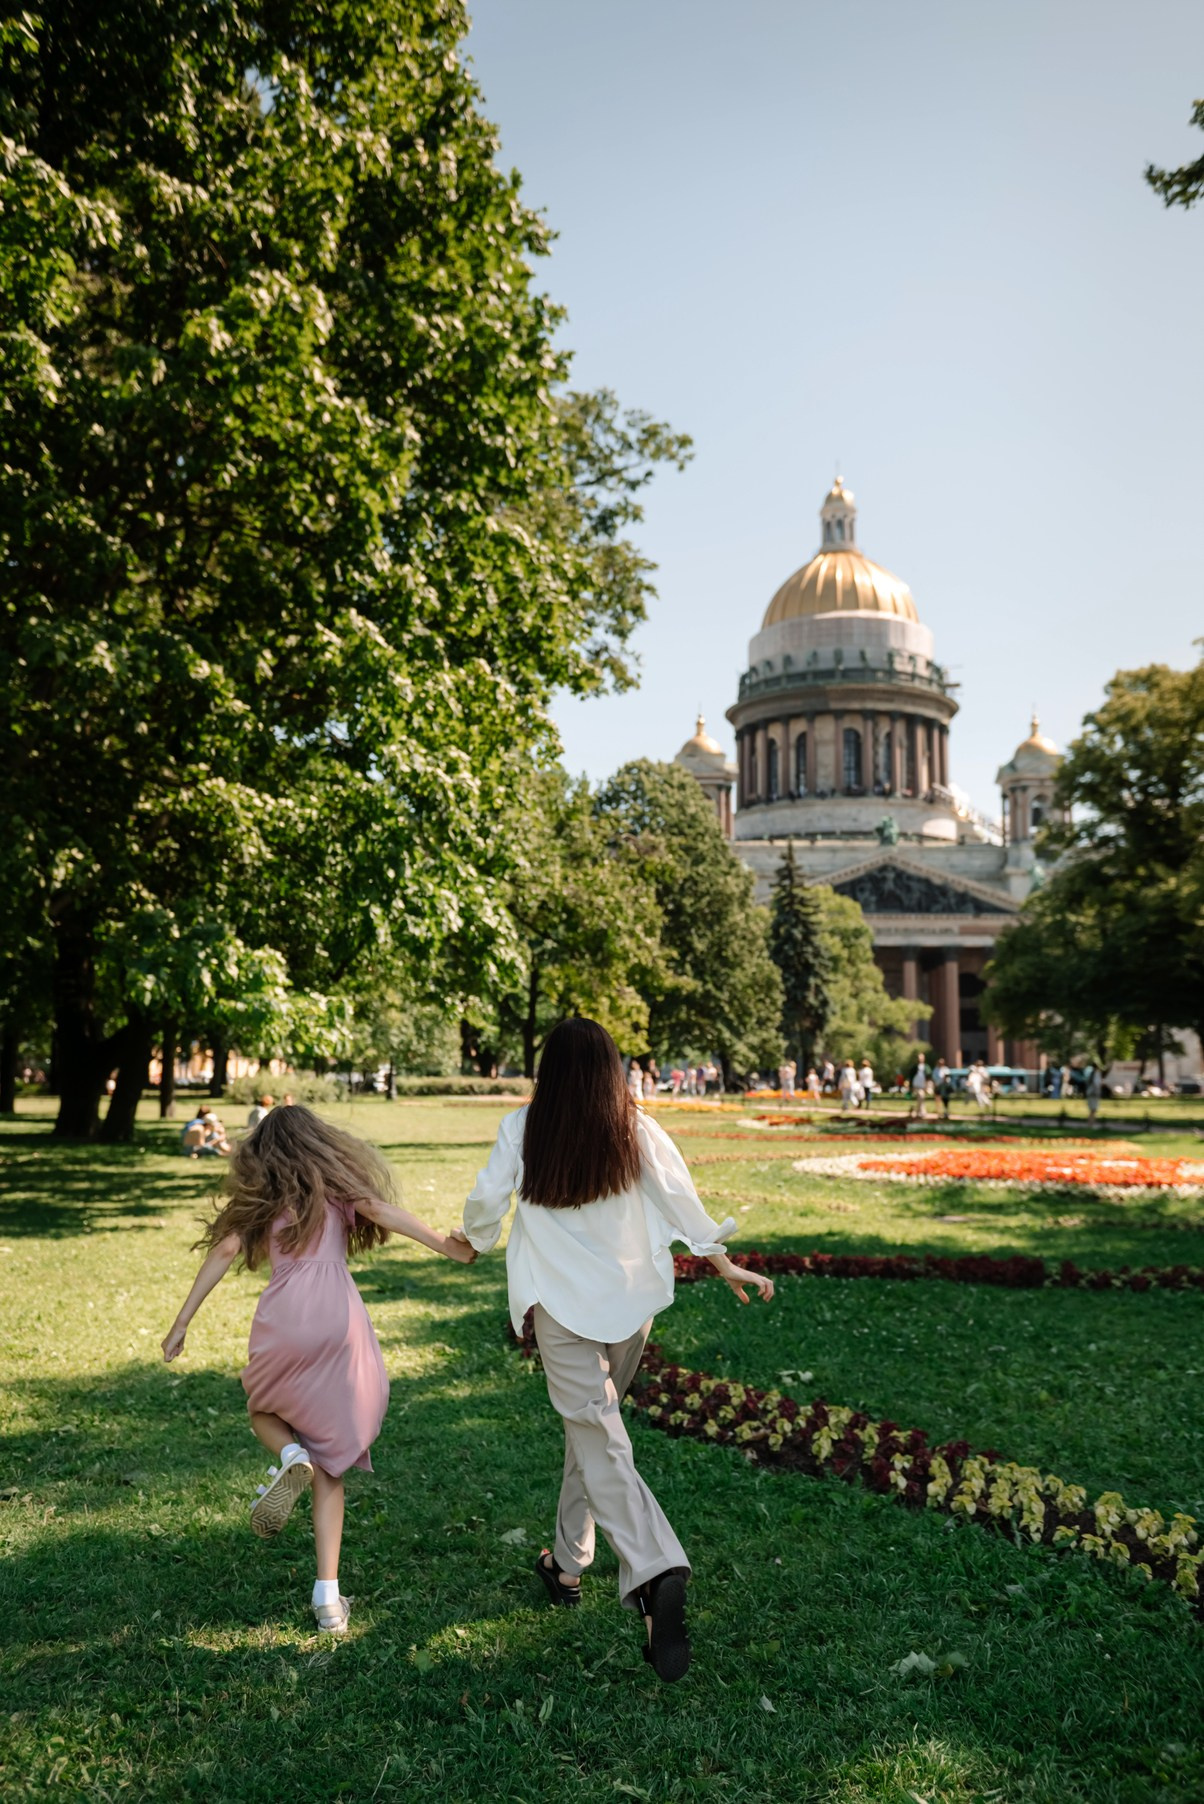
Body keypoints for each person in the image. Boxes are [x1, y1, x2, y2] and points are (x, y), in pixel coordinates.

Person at [455, 1017, 774, 1683]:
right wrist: (722, 1263)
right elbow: (681, 1198)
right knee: (593, 1433)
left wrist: (474, 1239)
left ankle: (655, 1570)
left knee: (598, 1436)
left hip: (563, 1309)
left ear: (547, 1068)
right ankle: (568, 1565)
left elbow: (487, 1202)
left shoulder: (524, 1126)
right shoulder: (635, 1125)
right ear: (612, 1070)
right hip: (630, 1307)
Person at [161, 1105, 476, 1634]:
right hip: (338, 1318)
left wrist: (181, 1322)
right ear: (321, 1145)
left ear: (262, 1157)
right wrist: (446, 1246)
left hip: (285, 1316)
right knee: (332, 1462)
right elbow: (382, 1211)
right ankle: (328, 1600)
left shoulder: (260, 1203)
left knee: (263, 1409)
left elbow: (225, 1250)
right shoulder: (337, 1192)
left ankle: (287, 1454)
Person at [911, 1055, 928, 1119]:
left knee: (920, 1099)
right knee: (921, 1097)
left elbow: (928, 1077)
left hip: (923, 1086)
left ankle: (918, 1112)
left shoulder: (926, 1067)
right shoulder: (915, 1067)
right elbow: (911, 1076)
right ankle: (922, 1112)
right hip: (916, 1085)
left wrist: (926, 1086)